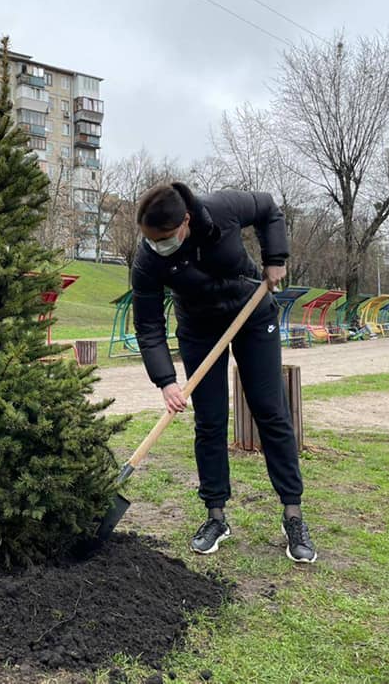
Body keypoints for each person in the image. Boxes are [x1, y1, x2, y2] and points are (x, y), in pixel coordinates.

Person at [132, 182, 316, 564]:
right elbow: (148, 325)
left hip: (251, 312)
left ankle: (293, 514)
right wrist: (166, 381)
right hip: (199, 329)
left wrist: (276, 257)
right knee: (210, 421)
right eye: (150, 240)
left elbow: (268, 207)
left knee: (271, 412)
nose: (157, 245)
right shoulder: (148, 258)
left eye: (164, 238)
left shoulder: (222, 208)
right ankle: (216, 517)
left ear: (185, 221)